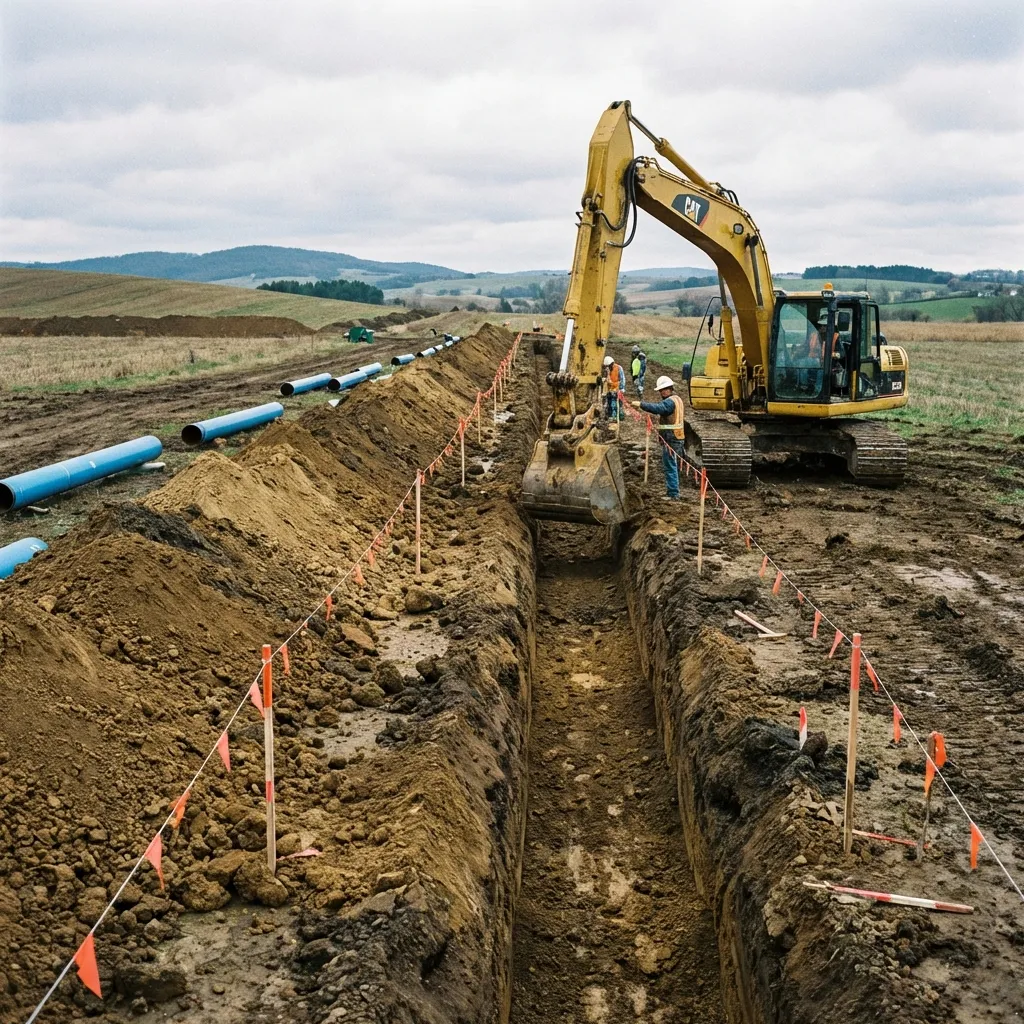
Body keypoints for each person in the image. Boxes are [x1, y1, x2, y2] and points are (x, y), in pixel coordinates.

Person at [637, 375, 685, 500]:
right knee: (673, 464)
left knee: (670, 465)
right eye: (661, 390)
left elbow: (660, 408)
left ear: (670, 389)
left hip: (672, 437)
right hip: (677, 436)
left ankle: (673, 493)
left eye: (664, 389)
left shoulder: (669, 402)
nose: (662, 392)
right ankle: (674, 491)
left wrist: (642, 405)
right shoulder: (677, 399)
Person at [603, 355, 626, 422]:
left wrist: (620, 389)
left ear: (612, 364)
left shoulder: (619, 368)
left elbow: (622, 380)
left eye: (609, 366)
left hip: (617, 389)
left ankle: (618, 416)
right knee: (610, 403)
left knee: (618, 404)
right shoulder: (607, 370)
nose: (608, 368)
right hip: (610, 389)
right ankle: (612, 416)